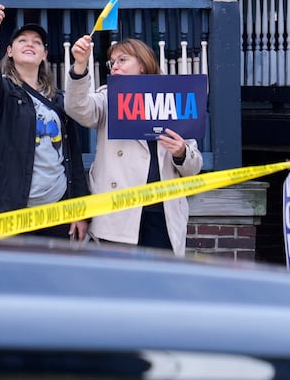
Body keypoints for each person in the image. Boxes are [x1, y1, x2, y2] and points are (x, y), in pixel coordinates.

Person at [66, 34, 202, 253]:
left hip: (163, 214)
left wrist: (181, 152)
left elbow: (193, 168)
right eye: (112, 62)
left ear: (142, 64)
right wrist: (80, 65)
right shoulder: (108, 98)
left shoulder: (172, 98)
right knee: (121, 284)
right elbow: (78, 108)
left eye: (122, 59)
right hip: (120, 213)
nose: (115, 66)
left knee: (160, 283)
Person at [0, 1, 89, 241]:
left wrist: (80, 210)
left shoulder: (59, 99)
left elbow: (73, 157)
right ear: (9, 51)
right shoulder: (2, 92)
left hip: (57, 209)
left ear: (44, 55)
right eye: (22, 41)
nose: (30, 44)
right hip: (11, 209)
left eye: (37, 42)